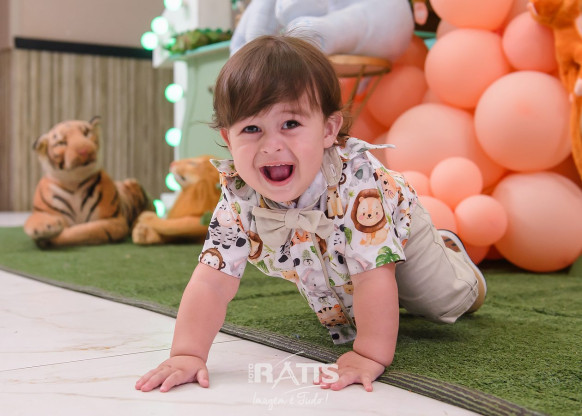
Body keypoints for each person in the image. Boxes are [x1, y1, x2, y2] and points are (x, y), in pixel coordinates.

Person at [135, 34, 486, 394]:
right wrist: (187, 354)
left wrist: (368, 354)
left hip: (397, 223)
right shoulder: (239, 196)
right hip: (334, 250)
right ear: (228, 138)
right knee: (350, 302)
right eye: (251, 129)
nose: (271, 145)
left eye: (290, 124)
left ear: (328, 130)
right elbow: (212, 281)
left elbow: (372, 277)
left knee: (440, 302)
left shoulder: (358, 183)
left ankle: (453, 257)